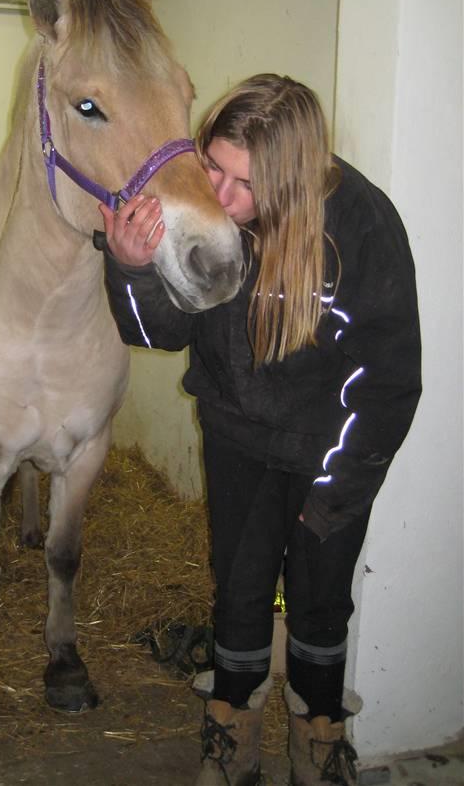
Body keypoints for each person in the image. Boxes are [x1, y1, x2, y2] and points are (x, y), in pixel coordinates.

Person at [97, 74, 421, 786]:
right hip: (237, 443)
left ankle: (318, 743)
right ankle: (231, 740)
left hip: (326, 456)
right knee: (238, 595)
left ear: (294, 178)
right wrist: (129, 270)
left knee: (320, 604)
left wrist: (338, 492)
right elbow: (165, 330)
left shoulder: (362, 224)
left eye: (244, 182)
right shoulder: (209, 212)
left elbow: (392, 380)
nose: (220, 193)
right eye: (212, 164)